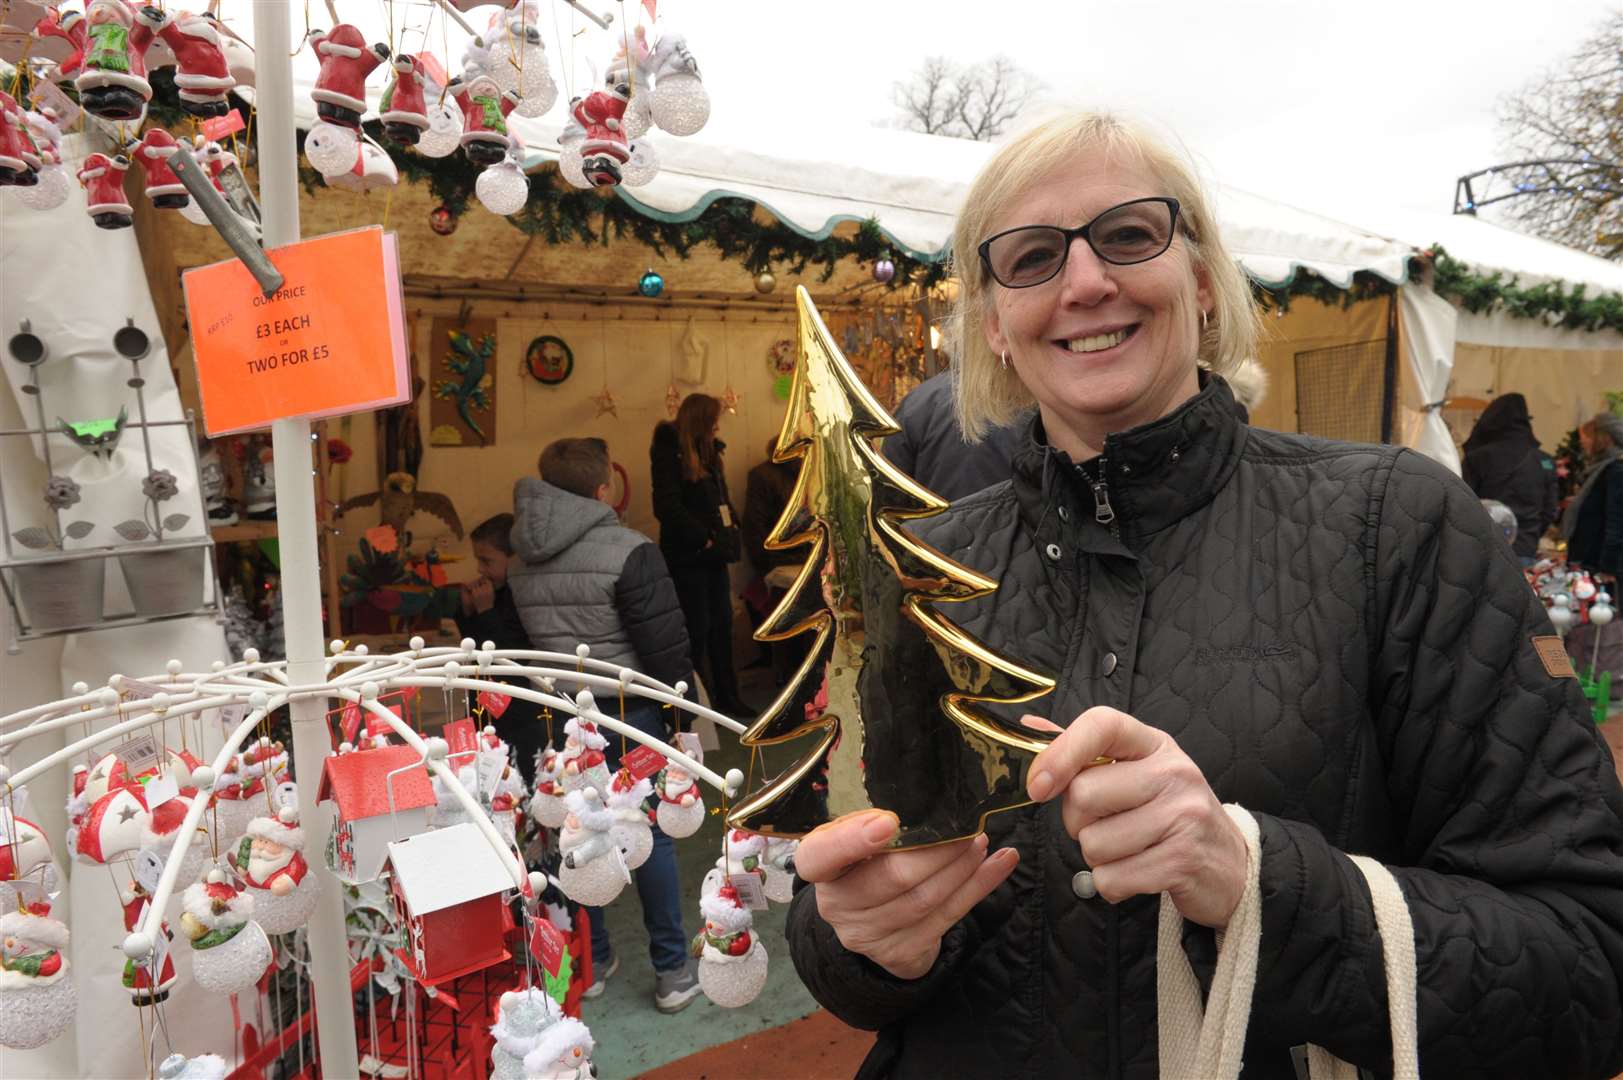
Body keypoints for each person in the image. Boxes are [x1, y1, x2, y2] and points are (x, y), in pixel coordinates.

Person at [785, 111, 1623, 1080]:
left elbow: (1588, 960)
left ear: (1204, 282)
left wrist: (1257, 881)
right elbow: (839, 923)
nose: (1086, 280)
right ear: (994, 328)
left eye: (1130, 234)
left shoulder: (1394, 527)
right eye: (1032, 256)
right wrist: (864, 940)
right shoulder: (919, 572)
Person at [508, 437, 702, 1014]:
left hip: (564, 714)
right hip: (630, 711)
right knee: (651, 835)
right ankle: (670, 972)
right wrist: (677, 717)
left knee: (580, 836)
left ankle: (592, 962)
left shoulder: (520, 558)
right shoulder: (630, 549)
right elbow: (666, 648)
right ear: (601, 490)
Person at [650, 394, 750, 716]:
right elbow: (667, 506)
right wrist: (703, 538)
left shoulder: (710, 452)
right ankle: (698, 704)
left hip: (714, 554)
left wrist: (732, 530)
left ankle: (728, 697)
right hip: (689, 557)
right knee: (697, 629)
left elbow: (721, 499)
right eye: (713, 419)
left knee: (722, 625)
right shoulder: (670, 451)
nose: (718, 425)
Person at [453, 514, 544, 783]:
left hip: (517, 708)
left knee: (517, 771)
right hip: (486, 701)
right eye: (477, 560)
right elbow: (474, 646)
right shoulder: (493, 592)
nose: (480, 569)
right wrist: (468, 613)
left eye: (487, 560)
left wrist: (486, 612)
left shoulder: (522, 595)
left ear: (513, 558)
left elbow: (509, 652)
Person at [882, 369, 1024, 501]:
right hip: (1008, 522)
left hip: (932, 524)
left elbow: (890, 490)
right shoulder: (1027, 400)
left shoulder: (916, 403)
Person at [1461, 393, 1559, 561]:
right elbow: (1549, 510)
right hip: (1525, 547)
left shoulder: (1478, 458)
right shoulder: (1544, 460)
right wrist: (1530, 534)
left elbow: (1463, 505)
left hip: (1484, 549)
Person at [741, 437, 799, 672]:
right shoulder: (764, 477)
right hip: (782, 562)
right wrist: (767, 567)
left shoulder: (809, 472)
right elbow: (755, 527)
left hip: (801, 559)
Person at [1562, 410, 1623, 582]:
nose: (1583, 442)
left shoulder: (1616, 470)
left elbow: (1617, 522)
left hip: (1601, 568)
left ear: (1603, 438)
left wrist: (1608, 568)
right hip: (1591, 561)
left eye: (1587, 437)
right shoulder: (1601, 469)